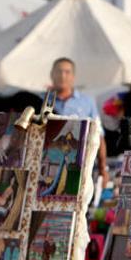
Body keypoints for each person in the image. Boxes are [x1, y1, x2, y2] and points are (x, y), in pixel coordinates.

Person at [49, 57, 109, 187]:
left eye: (67, 72)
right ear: (52, 74)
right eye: (59, 71)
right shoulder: (42, 101)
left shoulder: (87, 102)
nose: (62, 76)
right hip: (48, 163)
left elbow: (98, 135)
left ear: (73, 77)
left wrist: (103, 169)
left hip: (78, 165)